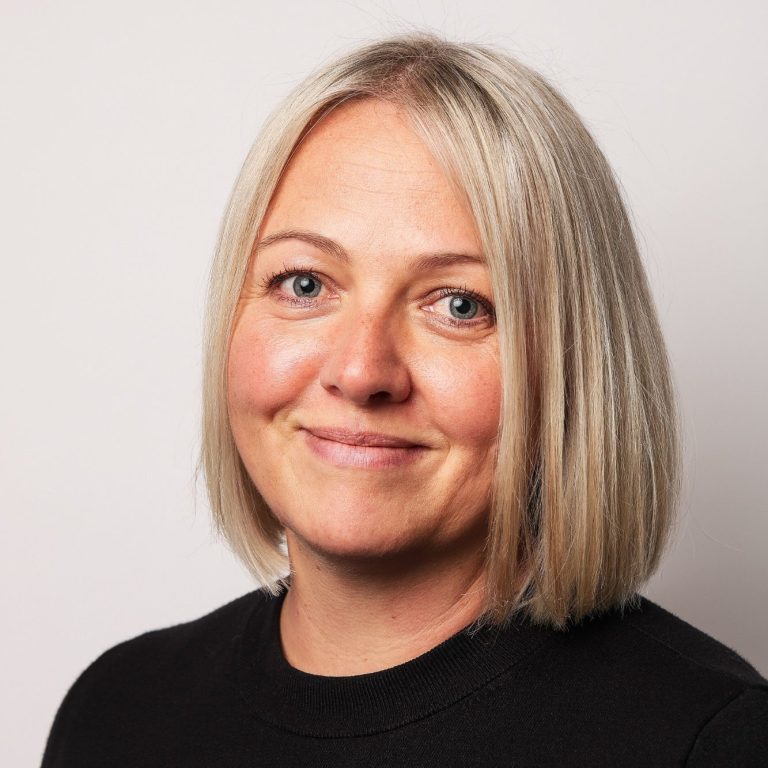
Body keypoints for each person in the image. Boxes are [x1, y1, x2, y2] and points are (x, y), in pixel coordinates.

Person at [41, 32, 767, 767]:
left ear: (574, 364)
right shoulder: (116, 714)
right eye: (304, 284)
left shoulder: (713, 743)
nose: (361, 372)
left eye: (459, 304)